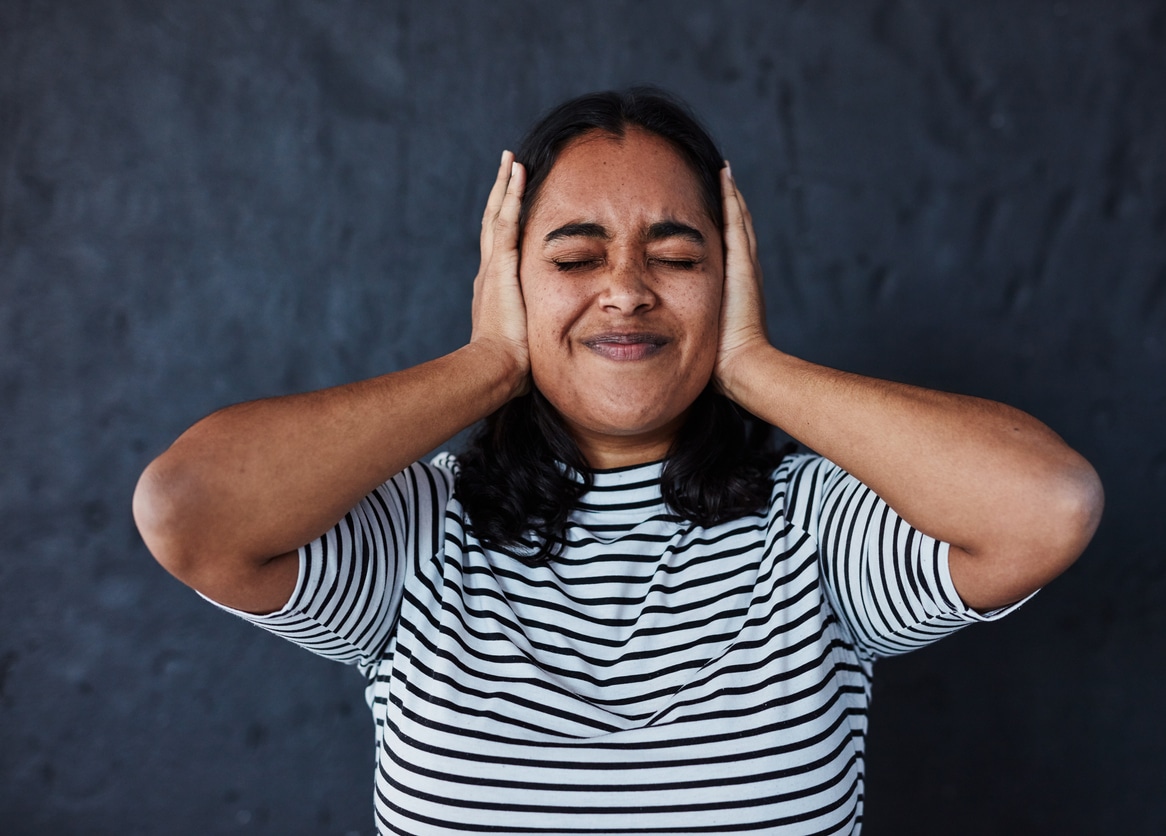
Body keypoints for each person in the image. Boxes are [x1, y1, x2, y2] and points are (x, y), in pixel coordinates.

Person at [133, 87, 1103, 835]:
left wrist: (757, 369)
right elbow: (187, 506)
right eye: (574, 256)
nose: (628, 290)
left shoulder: (817, 527)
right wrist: (488, 366)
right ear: (508, 282)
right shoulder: (418, 530)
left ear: (733, 281)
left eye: (677, 255)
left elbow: (1047, 501)